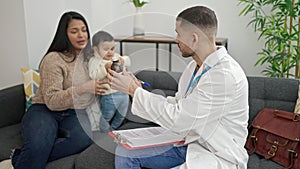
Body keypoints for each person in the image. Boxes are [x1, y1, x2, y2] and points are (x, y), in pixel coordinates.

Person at [108, 5, 249, 169]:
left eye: (178, 34)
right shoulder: (194, 67)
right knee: (125, 153)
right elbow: (178, 104)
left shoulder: (224, 77)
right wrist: (139, 89)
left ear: (194, 39)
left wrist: (134, 91)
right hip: (189, 143)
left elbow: (180, 119)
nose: (176, 39)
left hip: (215, 153)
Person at [10, 11, 109, 169]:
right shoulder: (53, 59)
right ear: (64, 34)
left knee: (85, 139)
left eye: (84, 30)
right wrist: (83, 88)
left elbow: (104, 74)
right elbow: (52, 101)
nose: (81, 35)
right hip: (44, 109)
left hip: (75, 111)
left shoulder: (91, 59)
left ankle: (19, 158)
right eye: (74, 31)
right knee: (40, 142)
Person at [88, 30, 130, 132]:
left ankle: (113, 130)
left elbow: (128, 60)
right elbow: (93, 75)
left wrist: (123, 60)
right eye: (106, 49)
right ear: (96, 49)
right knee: (107, 116)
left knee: (121, 115)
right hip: (109, 95)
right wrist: (104, 69)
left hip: (123, 93)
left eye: (112, 48)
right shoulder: (95, 61)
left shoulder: (115, 57)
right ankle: (104, 131)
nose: (110, 52)